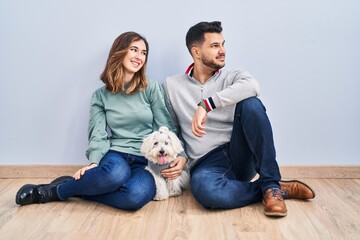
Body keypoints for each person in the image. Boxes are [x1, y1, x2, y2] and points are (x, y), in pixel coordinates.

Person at [15, 31, 188, 210]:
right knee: (115, 176)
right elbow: (97, 134)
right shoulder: (100, 96)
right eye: (134, 50)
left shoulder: (150, 88)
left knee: (134, 197)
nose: (139, 57)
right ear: (120, 52)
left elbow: (165, 125)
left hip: (145, 161)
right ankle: (53, 191)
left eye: (144, 53)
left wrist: (181, 155)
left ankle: (81, 189)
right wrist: (94, 162)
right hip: (116, 154)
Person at [162, 21, 315, 217]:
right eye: (215, 46)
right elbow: (172, 129)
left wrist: (206, 105)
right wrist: (182, 154)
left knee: (251, 104)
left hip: (239, 152)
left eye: (223, 44)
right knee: (207, 193)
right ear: (196, 52)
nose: (222, 50)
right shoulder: (172, 85)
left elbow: (253, 86)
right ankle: (272, 189)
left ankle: (270, 182)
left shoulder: (233, 77)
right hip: (206, 162)